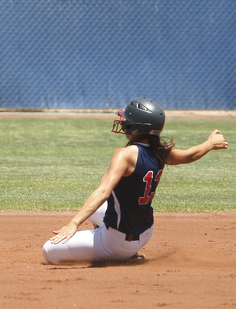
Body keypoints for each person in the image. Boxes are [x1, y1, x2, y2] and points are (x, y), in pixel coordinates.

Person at [42, 97, 228, 264]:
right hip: (145, 232)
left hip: (118, 242)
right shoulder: (160, 152)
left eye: (127, 120)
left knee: (49, 251)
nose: (123, 122)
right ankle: (123, 248)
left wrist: (73, 223)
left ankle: (116, 254)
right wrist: (210, 144)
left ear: (137, 127)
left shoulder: (125, 155)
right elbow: (189, 155)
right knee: (94, 210)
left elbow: (103, 191)